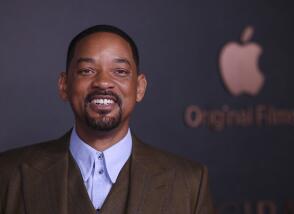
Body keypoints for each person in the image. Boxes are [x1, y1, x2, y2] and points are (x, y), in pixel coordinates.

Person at [0, 25, 214, 214]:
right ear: (64, 85)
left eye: (120, 71)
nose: (103, 82)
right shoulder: (8, 173)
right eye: (87, 70)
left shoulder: (189, 183)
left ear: (139, 88)